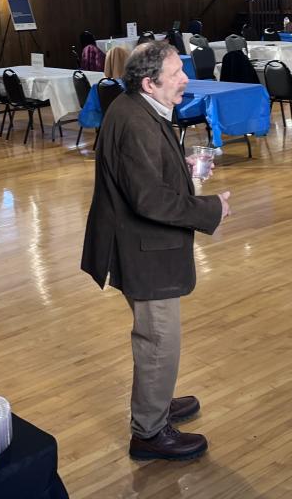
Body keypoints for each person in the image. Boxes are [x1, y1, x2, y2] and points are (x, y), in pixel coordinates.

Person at [82, 42, 231, 462]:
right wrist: (211, 207)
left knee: (159, 340)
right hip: (143, 249)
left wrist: (177, 166)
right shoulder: (137, 122)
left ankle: (157, 401)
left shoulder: (136, 108)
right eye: (176, 73)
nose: (185, 78)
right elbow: (149, 200)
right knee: (159, 341)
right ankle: (149, 432)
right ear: (149, 83)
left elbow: (142, 175)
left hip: (138, 244)